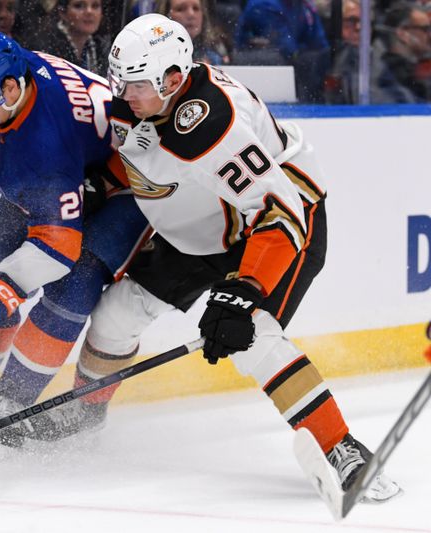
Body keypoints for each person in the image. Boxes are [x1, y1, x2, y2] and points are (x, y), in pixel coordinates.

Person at [28, 14, 402, 501]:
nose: (123, 94)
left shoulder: (214, 126)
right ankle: (84, 415)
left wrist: (243, 290)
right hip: (202, 225)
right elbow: (143, 155)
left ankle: (342, 448)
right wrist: (103, 183)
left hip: (277, 224)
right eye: (120, 81)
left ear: (175, 79)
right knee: (116, 316)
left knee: (253, 337)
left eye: (135, 84)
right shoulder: (140, 101)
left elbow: (278, 212)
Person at [0, 29, 150, 447]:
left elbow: (58, 247)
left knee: (73, 286)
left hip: (127, 186)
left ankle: (13, 402)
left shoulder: (44, 147)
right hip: (68, 169)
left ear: (10, 89)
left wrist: (2, 289)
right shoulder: (4, 68)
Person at [234, 0, 330, 101]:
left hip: (290, 54)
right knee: (296, 61)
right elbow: (283, 44)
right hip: (256, 60)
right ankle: (305, 101)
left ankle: (318, 101)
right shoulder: (264, 4)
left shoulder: (304, 5)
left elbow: (319, 43)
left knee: (322, 57)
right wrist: (301, 54)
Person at [27, 0, 111, 75]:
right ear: (62, 12)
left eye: (95, 6)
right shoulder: (45, 46)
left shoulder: (101, 46)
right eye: (79, 6)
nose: (89, 11)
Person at [370, 2, 431, 103]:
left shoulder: (412, 72)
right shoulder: (387, 75)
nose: (430, 36)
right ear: (402, 33)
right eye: (425, 29)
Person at [157, 0, 229, 64]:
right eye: (180, 9)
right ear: (165, 15)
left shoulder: (219, 51)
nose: (191, 14)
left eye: (196, 8)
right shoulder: (154, 56)